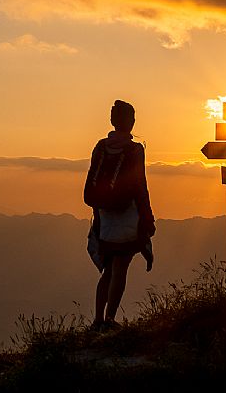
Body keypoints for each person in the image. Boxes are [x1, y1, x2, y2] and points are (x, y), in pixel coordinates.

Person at [84, 100, 155, 330]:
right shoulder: (135, 150)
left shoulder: (100, 146)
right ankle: (110, 320)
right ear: (131, 122)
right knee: (120, 268)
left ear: (112, 121)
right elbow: (140, 185)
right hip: (127, 215)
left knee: (108, 270)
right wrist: (147, 217)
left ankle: (97, 318)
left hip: (104, 217)